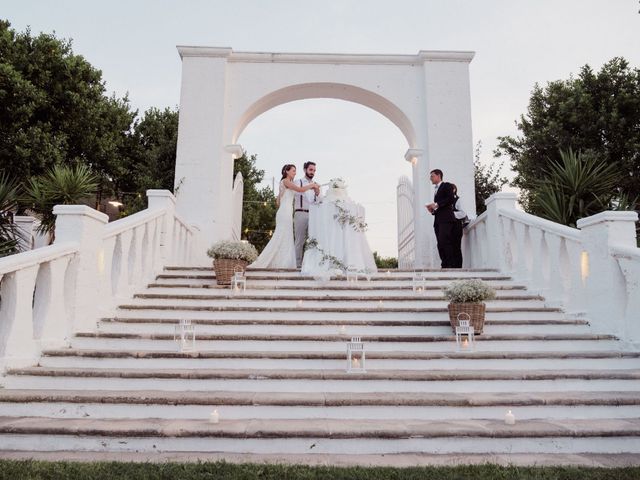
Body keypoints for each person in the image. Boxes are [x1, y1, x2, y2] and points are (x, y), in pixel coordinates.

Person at [249, 164, 319, 269]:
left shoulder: (286, 183)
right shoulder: (286, 181)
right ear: (287, 171)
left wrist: (284, 198)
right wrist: (312, 185)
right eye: (293, 171)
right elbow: (300, 190)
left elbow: (277, 201)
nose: (295, 173)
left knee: (285, 236)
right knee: (281, 236)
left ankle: (283, 261)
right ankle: (273, 261)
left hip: (285, 211)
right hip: (285, 212)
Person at [425, 169, 457, 268]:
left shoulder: (446, 185)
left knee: (445, 241)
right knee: (440, 243)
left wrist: (437, 204)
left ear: (438, 176)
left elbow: (450, 199)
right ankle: (444, 264)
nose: (430, 178)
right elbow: (440, 207)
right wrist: (433, 210)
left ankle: (451, 265)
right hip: (438, 220)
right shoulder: (436, 189)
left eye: (432, 176)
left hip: (446, 220)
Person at [293, 161, 320, 268]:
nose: (312, 172)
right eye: (310, 170)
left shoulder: (316, 185)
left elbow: (319, 201)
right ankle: (297, 265)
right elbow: (298, 192)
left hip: (313, 215)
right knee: (300, 240)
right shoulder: (297, 182)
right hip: (300, 213)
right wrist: (311, 186)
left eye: (314, 170)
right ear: (305, 170)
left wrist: (317, 192)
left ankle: (309, 264)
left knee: (313, 240)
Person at [450, 183, 469, 268]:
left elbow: (463, 213)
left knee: (456, 246)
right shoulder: (444, 201)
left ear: (454, 190)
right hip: (447, 226)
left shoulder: (458, 200)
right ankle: (450, 266)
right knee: (448, 246)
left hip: (456, 226)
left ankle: (458, 267)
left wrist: (450, 214)